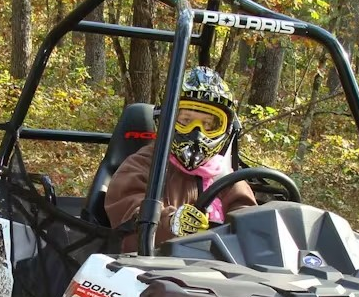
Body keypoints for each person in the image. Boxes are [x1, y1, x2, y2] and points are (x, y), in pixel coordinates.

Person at [105, 66, 257, 249]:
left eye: (209, 125)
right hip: (152, 268)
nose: (197, 133)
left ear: (226, 129)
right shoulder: (144, 165)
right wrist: (169, 223)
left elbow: (249, 221)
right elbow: (129, 214)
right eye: (185, 121)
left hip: (215, 270)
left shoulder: (226, 179)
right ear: (166, 120)